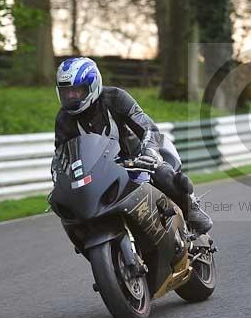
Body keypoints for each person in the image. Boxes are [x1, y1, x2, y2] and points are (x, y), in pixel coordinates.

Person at [53, 57, 213, 234]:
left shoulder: (116, 98)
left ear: (92, 85)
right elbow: (62, 155)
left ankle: (192, 210)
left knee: (163, 173)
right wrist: (61, 179)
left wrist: (150, 152)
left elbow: (148, 127)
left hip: (136, 161)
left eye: (76, 91)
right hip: (101, 172)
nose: (70, 96)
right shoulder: (63, 119)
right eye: (66, 92)